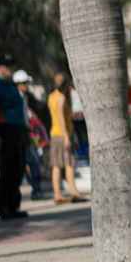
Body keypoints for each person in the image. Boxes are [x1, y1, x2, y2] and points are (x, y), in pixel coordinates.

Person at [0, 54, 28, 220]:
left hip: (18, 131)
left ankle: (13, 205)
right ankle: (0, 204)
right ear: (0, 68)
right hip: (4, 130)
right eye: (8, 66)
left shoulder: (11, 85)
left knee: (18, 169)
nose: (11, 69)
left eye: (12, 66)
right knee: (8, 170)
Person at [47, 73, 85, 204]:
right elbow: (61, 118)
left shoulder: (51, 97)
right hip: (62, 135)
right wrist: (67, 137)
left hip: (54, 134)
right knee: (69, 164)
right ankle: (73, 192)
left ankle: (58, 194)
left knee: (57, 165)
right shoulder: (62, 98)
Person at [13, 70, 47, 200]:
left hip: (27, 133)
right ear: (19, 84)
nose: (27, 85)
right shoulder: (16, 97)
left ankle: (36, 189)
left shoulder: (25, 96)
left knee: (33, 161)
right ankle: (35, 189)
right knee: (31, 161)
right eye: (25, 83)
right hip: (21, 133)